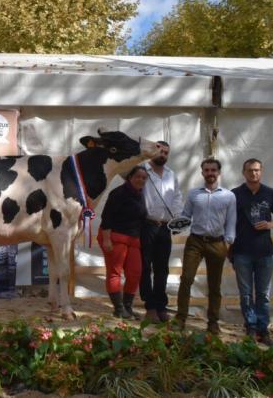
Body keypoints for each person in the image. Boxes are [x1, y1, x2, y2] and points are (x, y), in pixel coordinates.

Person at [175, 158, 236, 334]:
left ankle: (213, 322)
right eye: (207, 170)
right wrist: (176, 223)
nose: (210, 173)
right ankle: (180, 318)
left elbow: (231, 220)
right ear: (202, 173)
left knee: (214, 284)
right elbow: (186, 215)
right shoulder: (194, 194)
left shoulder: (228, 196)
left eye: (213, 170)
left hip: (218, 242)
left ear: (219, 173)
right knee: (186, 279)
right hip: (195, 241)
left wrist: (229, 241)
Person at [231, 159, 273, 346]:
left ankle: (263, 330)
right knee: (245, 294)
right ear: (243, 172)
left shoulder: (270, 193)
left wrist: (270, 224)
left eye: (257, 170)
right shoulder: (235, 194)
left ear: (261, 172)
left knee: (264, 294)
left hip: (265, 252)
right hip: (241, 251)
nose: (254, 174)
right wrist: (230, 251)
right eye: (250, 170)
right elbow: (228, 222)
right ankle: (250, 328)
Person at [140, 141, 183, 323]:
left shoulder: (171, 174)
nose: (163, 155)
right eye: (160, 151)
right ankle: (149, 307)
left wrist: (176, 221)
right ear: (153, 151)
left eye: (166, 152)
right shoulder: (141, 170)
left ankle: (161, 306)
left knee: (162, 269)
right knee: (144, 267)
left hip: (165, 227)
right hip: (146, 225)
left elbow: (177, 198)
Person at [98, 165, 148, 319]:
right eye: (137, 176)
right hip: (115, 236)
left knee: (135, 273)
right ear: (130, 177)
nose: (141, 180)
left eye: (144, 178)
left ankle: (128, 307)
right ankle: (119, 309)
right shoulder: (118, 193)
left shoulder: (140, 194)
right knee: (115, 273)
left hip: (133, 238)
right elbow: (106, 217)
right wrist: (106, 239)